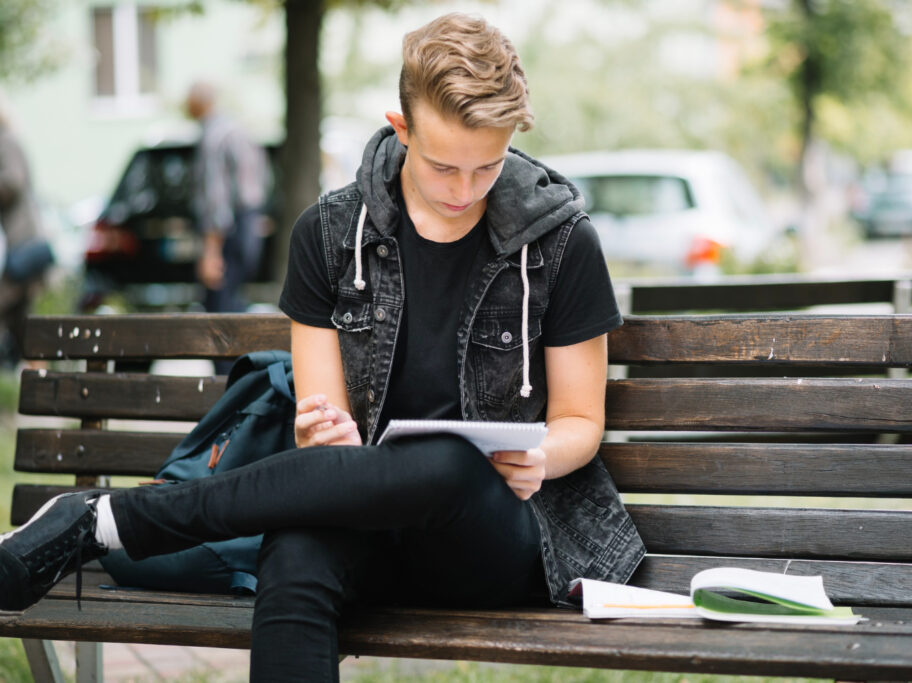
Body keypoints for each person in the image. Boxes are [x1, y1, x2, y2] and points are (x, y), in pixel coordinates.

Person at [0, 13, 645, 682]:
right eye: (443, 165)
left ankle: (112, 519)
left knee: (450, 464)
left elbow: (581, 422)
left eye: (487, 166)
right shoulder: (331, 235)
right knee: (297, 546)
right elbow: (323, 422)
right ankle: (107, 522)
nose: (464, 190)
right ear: (401, 127)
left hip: (498, 534)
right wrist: (324, 430)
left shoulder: (561, 241)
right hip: (365, 522)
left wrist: (538, 454)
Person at [186, 81, 268, 319]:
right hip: (247, 225)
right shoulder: (239, 131)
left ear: (197, 102)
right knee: (234, 305)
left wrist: (211, 251)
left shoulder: (213, 136)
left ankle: (227, 359)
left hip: (226, 234)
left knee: (219, 315)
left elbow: (215, 197)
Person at [0, 100, 49, 367]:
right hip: (21, 243)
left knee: (10, 305)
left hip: (24, 242)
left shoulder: (5, 141)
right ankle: (42, 377)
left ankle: (43, 376)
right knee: (22, 322)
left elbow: (13, 182)